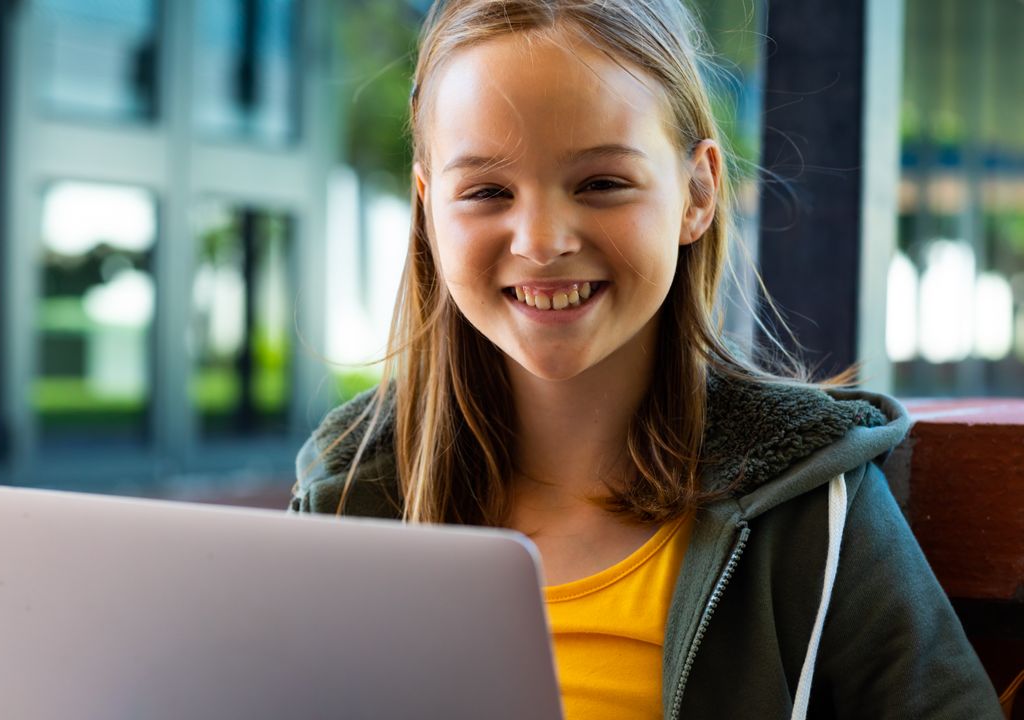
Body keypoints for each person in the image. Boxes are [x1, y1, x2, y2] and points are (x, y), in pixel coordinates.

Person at [289, 0, 1004, 717]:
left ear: (698, 193)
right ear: (427, 209)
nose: (541, 241)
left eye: (601, 183)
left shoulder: (813, 503)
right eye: (486, 192)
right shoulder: (349, 496)